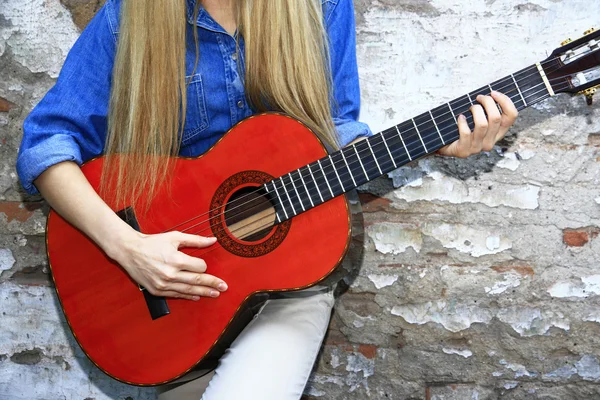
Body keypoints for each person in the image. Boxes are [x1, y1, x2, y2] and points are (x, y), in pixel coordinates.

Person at [16, 0, 519, 398]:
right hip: (175, 293)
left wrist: (438, 140)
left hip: (292, 277)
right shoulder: (132, 15)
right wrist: (128, 248)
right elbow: (46, 143)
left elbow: (334, 137)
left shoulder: (319, 6)